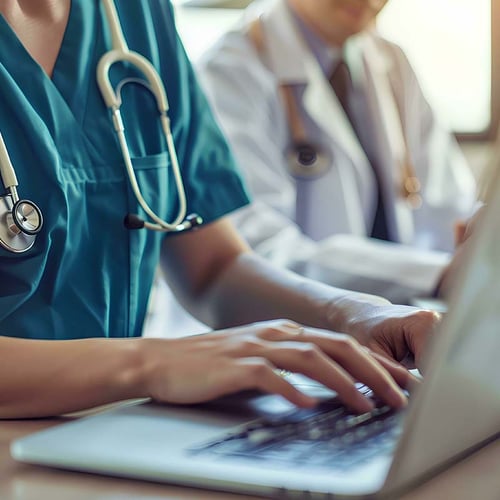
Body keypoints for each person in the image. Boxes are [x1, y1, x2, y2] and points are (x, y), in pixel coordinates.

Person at [0, 0, 439, 420]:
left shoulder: (137, 16)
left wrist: (350, 315)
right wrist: (152, 363)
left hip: (103, 434)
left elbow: (212, 267)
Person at [196, 0, 477, 304]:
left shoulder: (390, 61)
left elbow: (447, 208)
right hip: (278, 334)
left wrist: (479, 237)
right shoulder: (228, 72)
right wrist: (434, 275)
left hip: (391, 327)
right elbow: (255, 253)